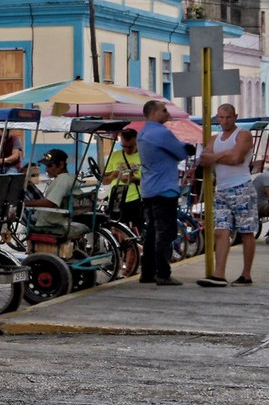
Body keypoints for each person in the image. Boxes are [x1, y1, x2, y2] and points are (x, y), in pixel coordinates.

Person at [196, 103, 256, 286]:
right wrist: (224, 154)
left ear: (235, 117)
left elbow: (237, 158)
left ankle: (246, 274)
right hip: (220, 189)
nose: (224, 121)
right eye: (221, 117)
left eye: (228, 117)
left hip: (241, 187)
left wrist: (216, 156)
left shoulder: (243, 135)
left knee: (246, 232)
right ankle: (219, 274)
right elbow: (203, 160)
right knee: (220, 231)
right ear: (217, 117)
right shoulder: (215, 139)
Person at [136, 98, 188, 286]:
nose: (168, 114)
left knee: (150, 233)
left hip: (149, 189)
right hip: (165, 189)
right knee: (164, 233)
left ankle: (147, 272)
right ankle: (163, 273)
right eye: (164, 110)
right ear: (154, 112)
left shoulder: (143, 133)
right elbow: (181, 153)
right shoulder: (161, 133)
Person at [25, 149, 79, 237]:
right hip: (59, 215)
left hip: (50, 221)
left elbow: (50, 203)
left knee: (17, 208)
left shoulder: (62, 180)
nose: (47, 169)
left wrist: (25, 203)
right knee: (29, 187)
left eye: (50, 166)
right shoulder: (71, 177)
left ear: (61, 165)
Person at [101, 128, 142, 230]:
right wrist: (113, 176)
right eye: (124, 146)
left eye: (130, 147)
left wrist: (132, 179)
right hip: (116, 200)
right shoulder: (115, 155)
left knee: (138, 231)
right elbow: (104, 181)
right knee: (115, 230)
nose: (127, 150)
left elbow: (149, 181)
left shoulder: (144, 156)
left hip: (135, 199)